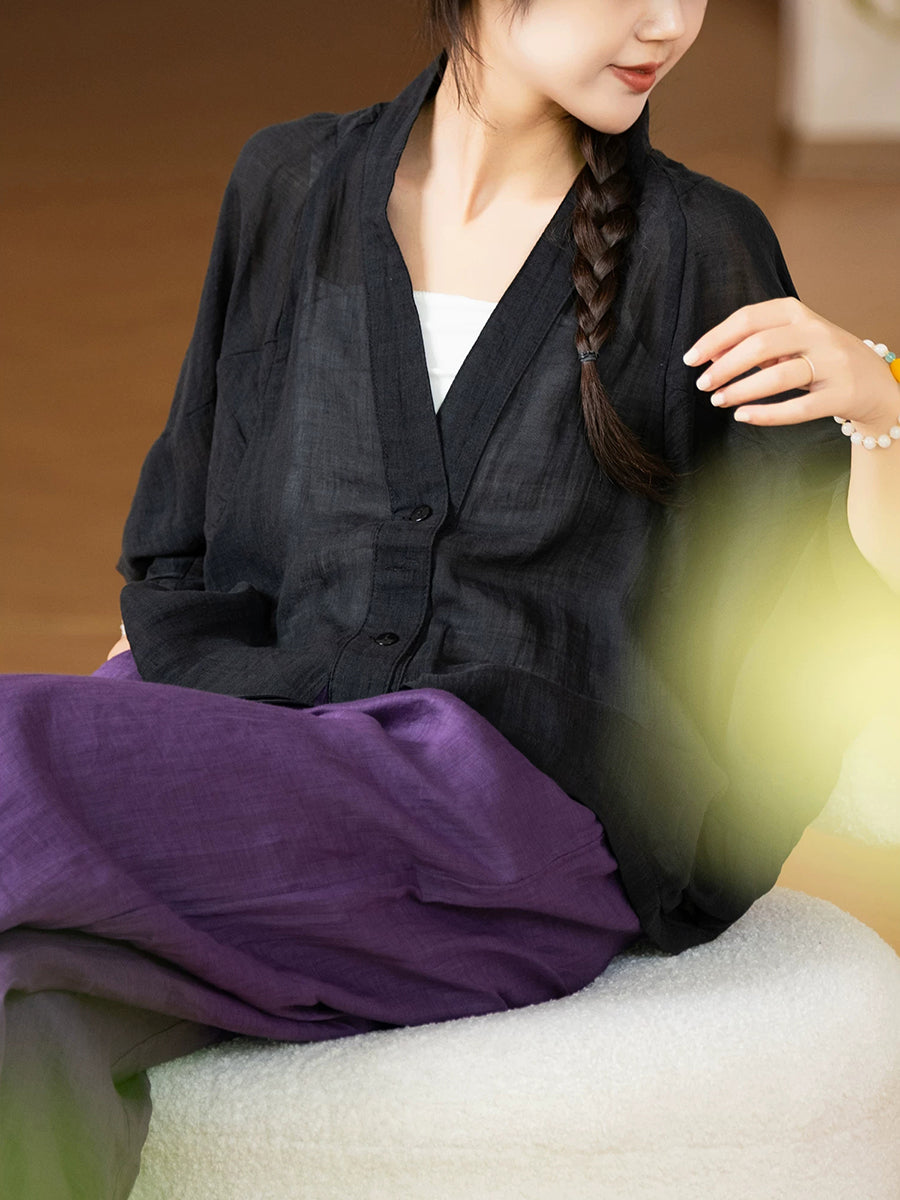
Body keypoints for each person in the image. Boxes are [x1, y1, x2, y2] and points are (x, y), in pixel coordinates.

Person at [2, 1, 898, 1196]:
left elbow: (820, 615)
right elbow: (191, 543)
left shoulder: (700, 246)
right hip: (279, 776)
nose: (667, 24)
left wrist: (882, 415)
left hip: (508, 833)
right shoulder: (290, 185)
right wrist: (141, 732)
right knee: (23, 1019)